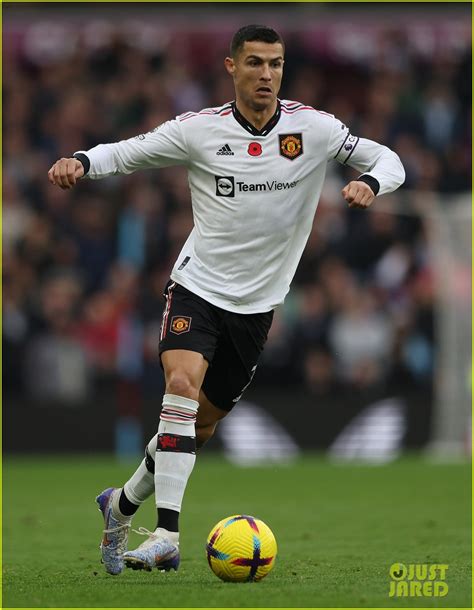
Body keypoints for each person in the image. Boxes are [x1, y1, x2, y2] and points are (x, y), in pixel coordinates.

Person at [48, 24, 405, 576]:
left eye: (275, 64)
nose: (266, 74)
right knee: (180, 386)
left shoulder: (313, 128)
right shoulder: (199, 130)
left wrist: (371, 184)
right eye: (255, 63)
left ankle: (119, 505)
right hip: (198, 287)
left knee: (198, 428)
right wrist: (81, 160)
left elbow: (390, 160)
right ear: (231, 67)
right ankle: (167, 534)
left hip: (257, 308)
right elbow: (129, 152)